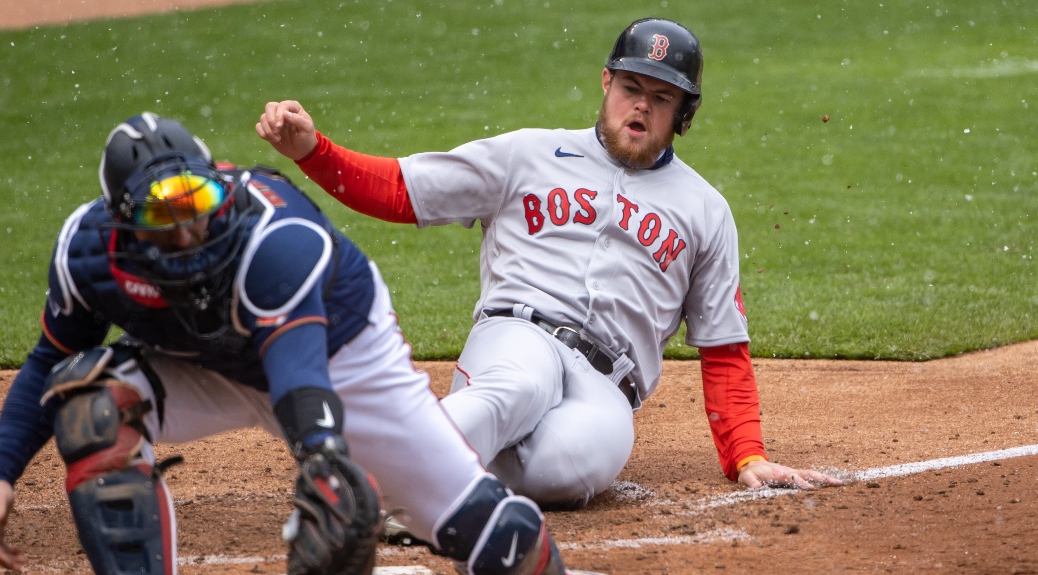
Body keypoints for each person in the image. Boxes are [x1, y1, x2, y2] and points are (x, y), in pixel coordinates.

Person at [0, 113, 659, 575]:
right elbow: (51, 357)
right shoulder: (86, 255)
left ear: (219, 185)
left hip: (346, 360)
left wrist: (325, 458)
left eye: (200, 202)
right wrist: (1, 469)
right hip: (208, 372)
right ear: (120, 221)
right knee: (89, 401)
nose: (187, 229)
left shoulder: (277, 238)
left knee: (493, 543)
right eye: (164, 216)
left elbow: (299, 373)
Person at [256, 18, 843, 510]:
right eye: (631, 86)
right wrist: (312, 150)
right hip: (518, 333)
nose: (640, 105)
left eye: (661, 97)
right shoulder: (527, 153)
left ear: (683, 114)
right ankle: (366, 488)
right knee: (518, 386)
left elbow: (723, 347)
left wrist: (747, 455)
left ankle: (437, 474)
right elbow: (403, 190)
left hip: (608, 387)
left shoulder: (705, 210)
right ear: (606, 83)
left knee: (564, 471)